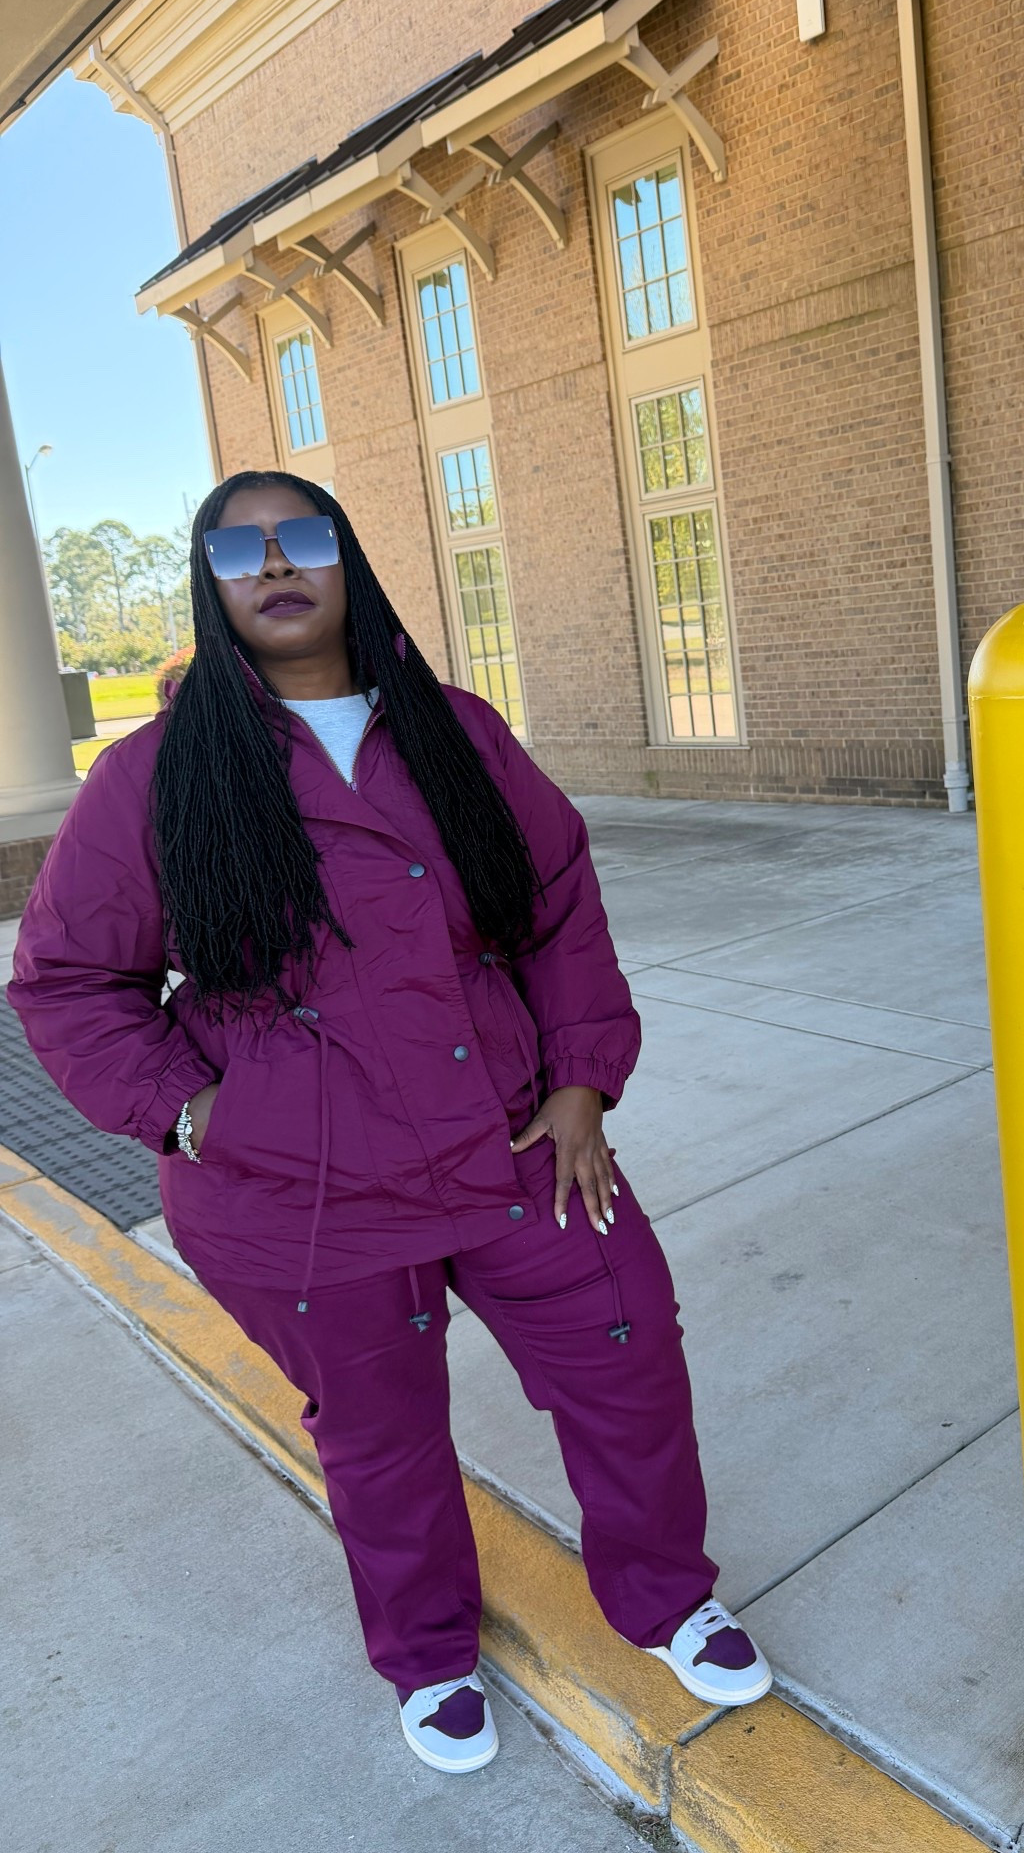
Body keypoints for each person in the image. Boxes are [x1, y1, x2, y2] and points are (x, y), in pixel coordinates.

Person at [8, 470, 770, 1774]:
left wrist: (583, 1077)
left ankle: (664, 1594)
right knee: (380, 1437)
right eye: (237, 549)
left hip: (519, 1141)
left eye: (301, 535)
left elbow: (558, 909)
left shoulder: (458, 733)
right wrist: (192, 1115)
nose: (274, 564)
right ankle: (426, 1652)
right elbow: (71, 983)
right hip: (299, 1188)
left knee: (630, 1358)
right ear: (211, 585)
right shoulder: (155, 779)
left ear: (349, 558)